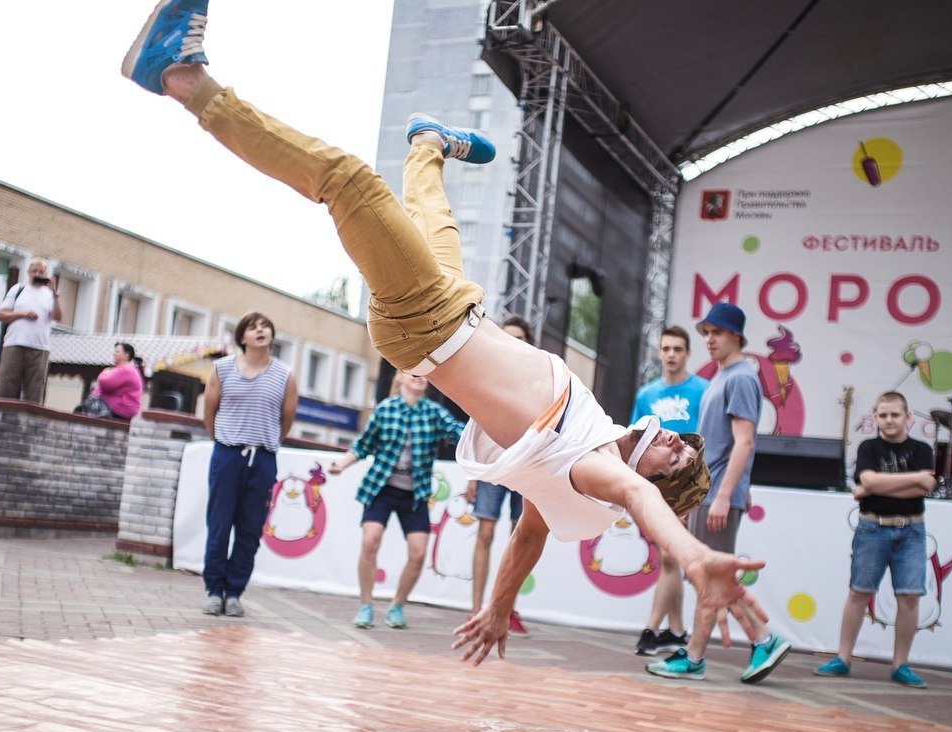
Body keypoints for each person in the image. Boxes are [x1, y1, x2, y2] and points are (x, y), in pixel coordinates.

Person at [122, 0, 768, 665]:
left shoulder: (602, 471)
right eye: (684, 444)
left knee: (347, 181)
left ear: (658, 485)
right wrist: (495, 607)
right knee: (435, 226)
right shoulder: (589, 452)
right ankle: (427, 146)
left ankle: (183, 79)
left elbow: (632, 494)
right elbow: (527, 538)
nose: (672, 440)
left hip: (428, 322)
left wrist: (691, 554)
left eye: (676, 459)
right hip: (457, 312)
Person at [646, 302, 790, 683]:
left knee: (711, 576)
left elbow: (744, 442)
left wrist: (727, 494)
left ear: (737, 336)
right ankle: (754, 642)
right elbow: (727, 444)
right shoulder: (725, 377)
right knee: (711, 577)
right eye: (706, 333)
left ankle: (707, 654)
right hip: (710, 494)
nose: (709, 340)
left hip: (716, 496)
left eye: (718, 333)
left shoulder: (741, 378)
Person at [814, 391, 935, 688]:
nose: (889, 420)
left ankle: (900, 665)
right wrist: (912, 479)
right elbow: (868, 480)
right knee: (859, 592)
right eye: (883, 415)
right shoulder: (869, 447)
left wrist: (875, 488)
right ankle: (843, 659)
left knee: (909, 598)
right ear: (876, 418)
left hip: (912, 531)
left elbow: (925, 488)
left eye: (895, 414)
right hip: (872, 528)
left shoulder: (922, 449)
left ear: (908, 417)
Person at [329, 371, 465, 629]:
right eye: (410, 371)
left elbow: (459, 433)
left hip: (415, 494)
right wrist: (341, 464)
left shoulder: (433, 413)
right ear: (399, 379)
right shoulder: (385, 410)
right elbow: (363, 444)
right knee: (370, 541)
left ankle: (397, 606)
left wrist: (485, 423)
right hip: (381, 488)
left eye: (423, 373)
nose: (418, 375)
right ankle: (366, 605)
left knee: (418, 553)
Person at [201, 310, 297, 617]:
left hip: (264, 459)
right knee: (219, 525)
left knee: (249, 529)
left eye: (265, 326)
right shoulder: (222, 369)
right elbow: (209, 413)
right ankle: (214, 590)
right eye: (253, 327)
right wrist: (225, 441)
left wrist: (266, 442)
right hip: (227, 455)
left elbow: (286, 420)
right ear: (242, 337)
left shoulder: (285, 375)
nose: (260, 330)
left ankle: (235, 593)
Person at [630, 324, 708, 656]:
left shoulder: (704, 390)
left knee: (669, 555)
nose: (671, 355)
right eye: (666, 349)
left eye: (677, 349)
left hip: (687, 483)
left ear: (688, 353)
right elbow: (635, 441)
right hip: (655, 484)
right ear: (659, 352)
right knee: (669, 558)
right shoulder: (646, 394)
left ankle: (651, 629)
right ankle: (675, 630)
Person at [465, 313, 533, 636]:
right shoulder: (485, 373)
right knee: (485, 535)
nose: (514, 343)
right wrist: (472, 474)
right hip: (493, 465)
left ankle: (506, 609)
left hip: (527, 465)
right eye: (509, 336)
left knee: (518, 539)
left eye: (520, 338)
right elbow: (475, 422)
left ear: (528, 342)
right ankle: (476, 609)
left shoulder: (540, 373)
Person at [0, 259, 62, 403]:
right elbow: (1, 315)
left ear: (46, 274)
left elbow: (57, 317)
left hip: (39, 347)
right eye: (34, 271)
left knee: (35, 392)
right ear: (29, 273)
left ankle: (31, 424)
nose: (37, 274)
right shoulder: (18, 289)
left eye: (41, 272)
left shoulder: (49, 294)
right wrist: (23, 314)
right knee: (6, 387)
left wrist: (55, 293)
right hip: (15, 343)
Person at [83, 342, 144, 420]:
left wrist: (104, 372)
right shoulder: (127, 369)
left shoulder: (127, 369)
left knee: (80, 410)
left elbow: (104, 382)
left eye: (117, 351)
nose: (114, 354)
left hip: (120, 409)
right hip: (119, 407)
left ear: (126, 355)